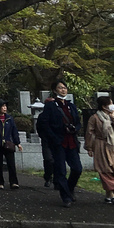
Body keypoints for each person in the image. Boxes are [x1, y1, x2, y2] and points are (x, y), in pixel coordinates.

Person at [36, 79, 83, 207]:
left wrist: (75, 129)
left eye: (65, 88)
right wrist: (54, 137)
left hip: (71, 141)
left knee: (77, 168)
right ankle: (66, 197)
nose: (63, 90)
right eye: (60, 88)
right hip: (59, 142)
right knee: (60, 170)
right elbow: (45, 124)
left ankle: (70, 188)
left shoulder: (71, 105)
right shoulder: (51, 106)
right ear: (54, 90)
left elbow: (78, 122)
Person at [85, 94, 114, 205]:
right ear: (104, 106)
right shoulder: (95, 118)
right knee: (104, 169)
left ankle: (109, 196)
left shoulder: (112, 117)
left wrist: (113, 116)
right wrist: (89, 147)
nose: (112, 106)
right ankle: (113, 194)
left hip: (113, 145)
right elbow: (90, 132)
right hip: (101, 145)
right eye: (110, 104)